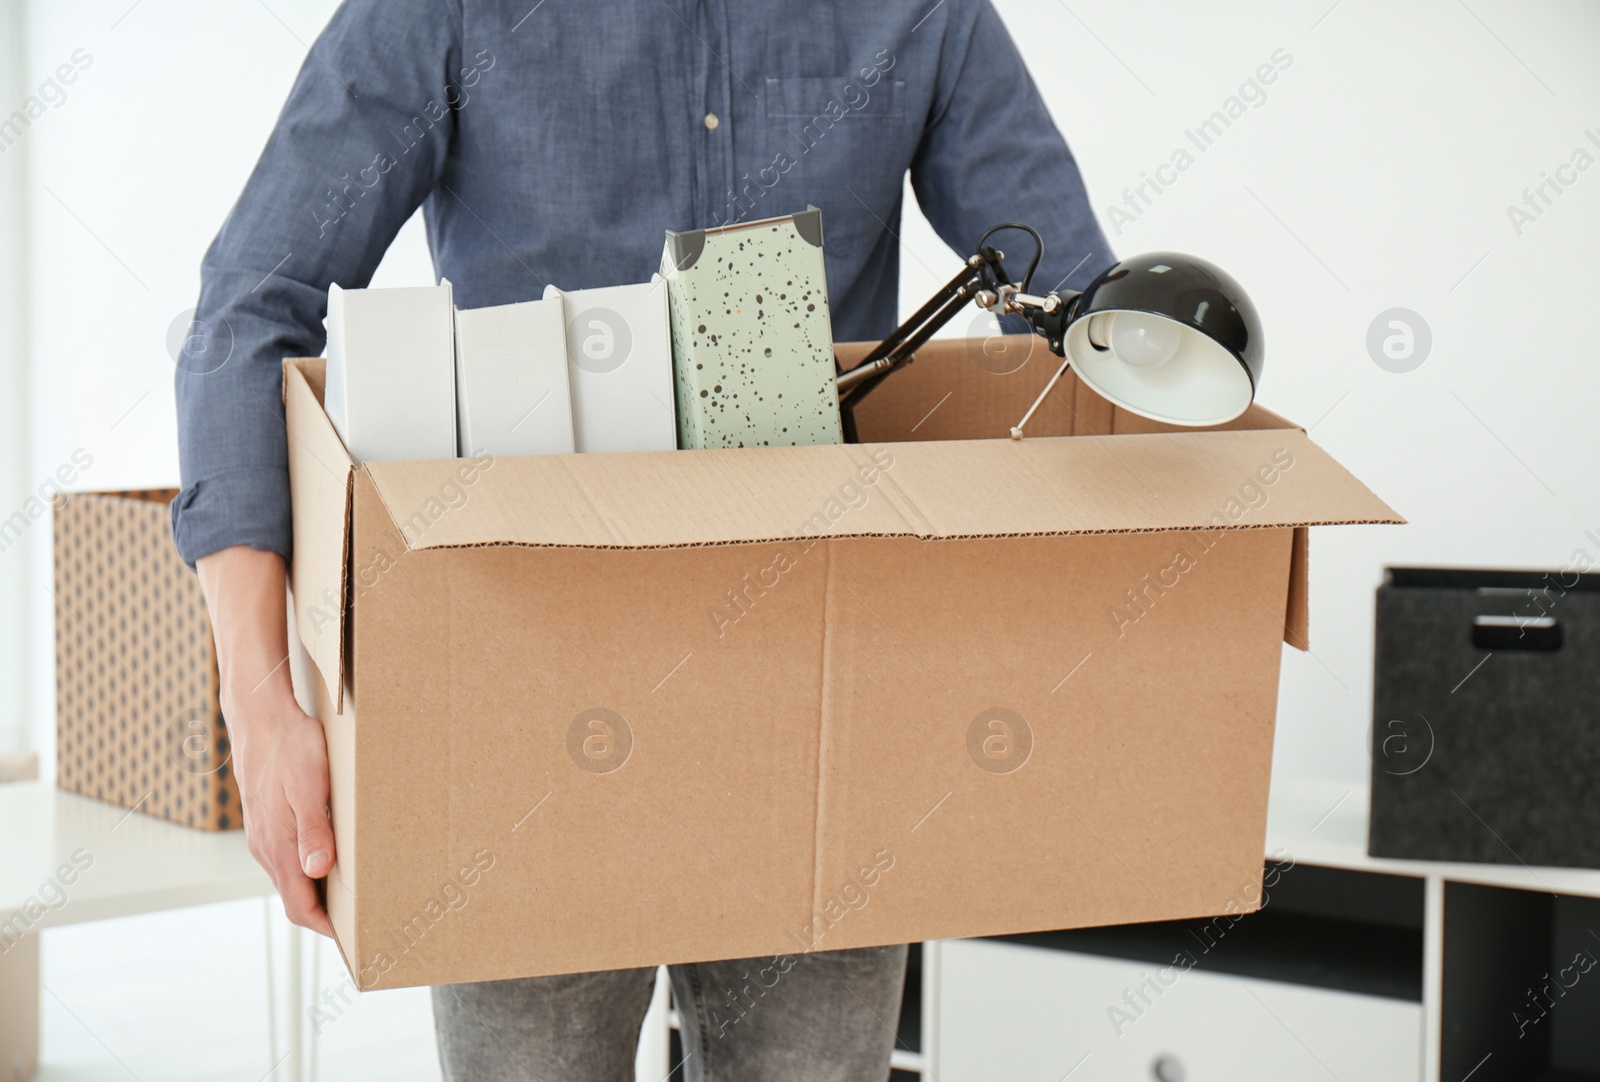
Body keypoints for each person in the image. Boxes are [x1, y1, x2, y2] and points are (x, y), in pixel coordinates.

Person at [174, 1, 1111, 1078]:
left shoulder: (918, 12)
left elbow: (1075, 319)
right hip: (517, 704)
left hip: (822, 692)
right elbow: (249, 306)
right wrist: (257, 701)